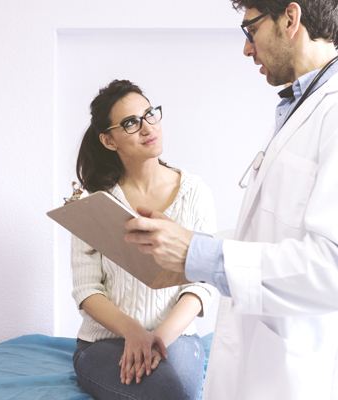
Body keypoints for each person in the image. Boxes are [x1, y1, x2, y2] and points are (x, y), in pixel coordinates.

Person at [124, 2, 338, 399]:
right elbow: (275, 231)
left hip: (299, 371)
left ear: (291, 19)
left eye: (251, 30)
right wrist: (188, 243)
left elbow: (331, 267)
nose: (246, 48)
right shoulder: (298, 106)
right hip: (266, 358)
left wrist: (200, 254)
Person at [71, 79, 217, 400]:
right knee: (166, 392)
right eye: (131, 123)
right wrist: (134, 332)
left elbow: (202, 283)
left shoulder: (195, 193)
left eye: (150, 114)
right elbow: (87, 290)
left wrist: (157, 339)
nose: (148, 127)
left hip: (175, 336)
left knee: (176, 391)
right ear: (108, 140)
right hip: (104, 342)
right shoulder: (94, 203)